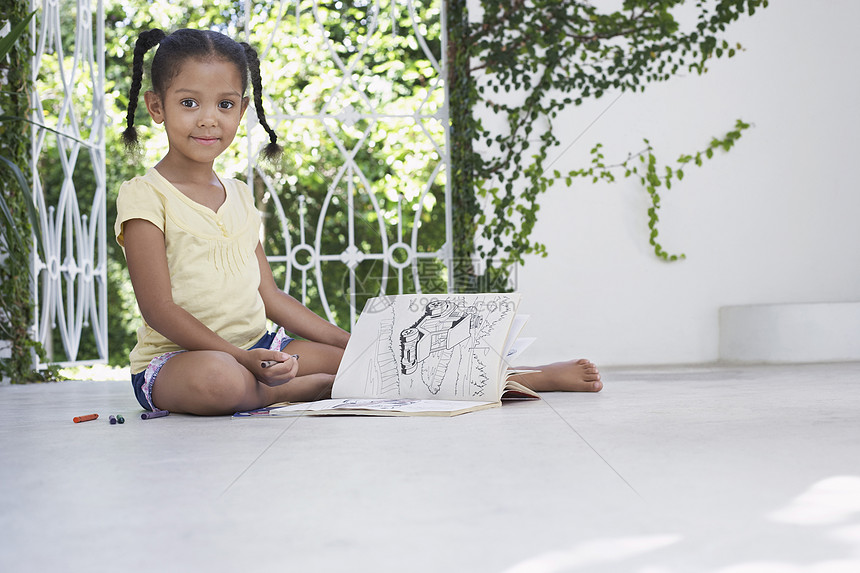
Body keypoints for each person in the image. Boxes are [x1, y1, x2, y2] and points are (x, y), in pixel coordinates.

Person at [116, 28, 602, 417]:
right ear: (157, 107)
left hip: (263, 350)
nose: (208, 119)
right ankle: (303, 391)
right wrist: (242, 360)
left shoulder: (240, 195)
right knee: (218, 382)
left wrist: (350, 342)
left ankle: (523, 376)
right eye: (188, 103)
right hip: (182, 362)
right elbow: (159, 309)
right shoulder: (145, 196)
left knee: (376, 358)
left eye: (225, 104)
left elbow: (269, 296)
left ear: (243, 110)